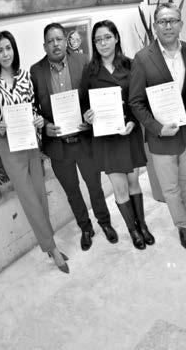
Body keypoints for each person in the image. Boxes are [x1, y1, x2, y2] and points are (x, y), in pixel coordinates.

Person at [130, 3, 186, 251]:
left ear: (181, 24)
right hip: (161, 136)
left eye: (173, 21)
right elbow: (135, 102)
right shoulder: (142, 58)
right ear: (155, 26)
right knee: (170, 187)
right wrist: (157, 128)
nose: (168, 26)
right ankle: (182, 226)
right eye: (162, 22)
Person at [0, 31, 68, 273]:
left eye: (8, 48)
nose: (5, 54)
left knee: (40, 194)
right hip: (9, 147)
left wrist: (38, 121)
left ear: (14, 50)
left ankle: (49, 243)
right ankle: (52, 248)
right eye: (0, 50)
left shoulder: (24, 77)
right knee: (29, 199)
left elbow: (33, 110)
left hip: (30, 142)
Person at [30, 23, 117, 251]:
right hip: (58, 145)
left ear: (65, 40)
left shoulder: (82, 61)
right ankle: (85, 228)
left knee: (94, 186)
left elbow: (93, 95)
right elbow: (33, 107)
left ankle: (105, 222)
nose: (56, 44)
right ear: (45, 45)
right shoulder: (36, 71)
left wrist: (89, 116)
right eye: (50, 41)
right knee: (72, 192)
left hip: (83, 140)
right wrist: (45, 126)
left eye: (59, 39)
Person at [80, 20, 152, 250]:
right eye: (98, 40)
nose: (103, 43)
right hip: (106, 139)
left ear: (116, 38)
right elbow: (83, 103)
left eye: (107, 38)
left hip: (128, 133)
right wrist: (87, 115)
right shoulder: (90, 71)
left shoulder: (131, 65)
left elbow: (140, 99)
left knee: (133, 182)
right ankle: (133, 231)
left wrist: (132, 121)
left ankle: (143, 226)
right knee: (119, 188)